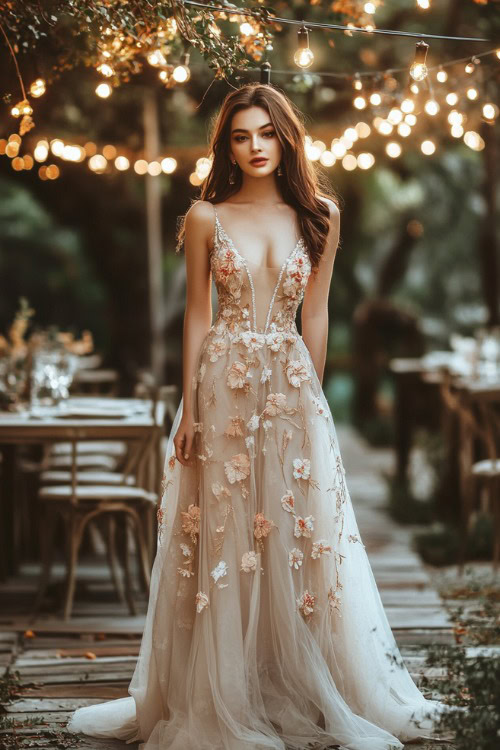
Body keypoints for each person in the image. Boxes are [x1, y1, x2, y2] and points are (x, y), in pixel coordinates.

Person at [67, 83, 450, 750]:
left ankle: (293, 681)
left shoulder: (321, 214)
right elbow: (196, 317)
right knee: (223, 537)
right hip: (221, 387)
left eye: (265, 134)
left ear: (285, 137)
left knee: (296, 535)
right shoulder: (207, 217)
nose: (254, 147)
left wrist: (314, 399)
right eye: (241, 136)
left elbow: (318, 313)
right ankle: (221, 690)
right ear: (228, 145)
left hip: (291, 387)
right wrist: (186, 408)